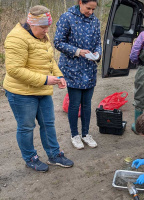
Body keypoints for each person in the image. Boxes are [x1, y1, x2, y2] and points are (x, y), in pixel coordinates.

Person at [3, 5, 74, 172]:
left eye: (48, 26)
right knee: (27, 127)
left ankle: (54, 154)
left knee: (48, 123)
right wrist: (45, 80)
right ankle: (30, 158)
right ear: (32, 24)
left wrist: (59, 76)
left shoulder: (42, 35)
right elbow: (14, 70)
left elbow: (49, 60)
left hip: (41, 90)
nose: (47, 30)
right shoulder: (16, 38)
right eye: (43, 27)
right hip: (21, 93)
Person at [54, 0, 101, 150]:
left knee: (87, 104)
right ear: (80, 2)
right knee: (74, 104)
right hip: (72, 68)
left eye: (93, 9)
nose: (91, 12)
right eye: (88, 8)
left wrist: (98, 53)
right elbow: (58, 42)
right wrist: (77, 51)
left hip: (89, 67)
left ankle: (86, 134)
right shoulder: (67, 17)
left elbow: (98, 42)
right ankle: (75, 135)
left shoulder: (95, 21)